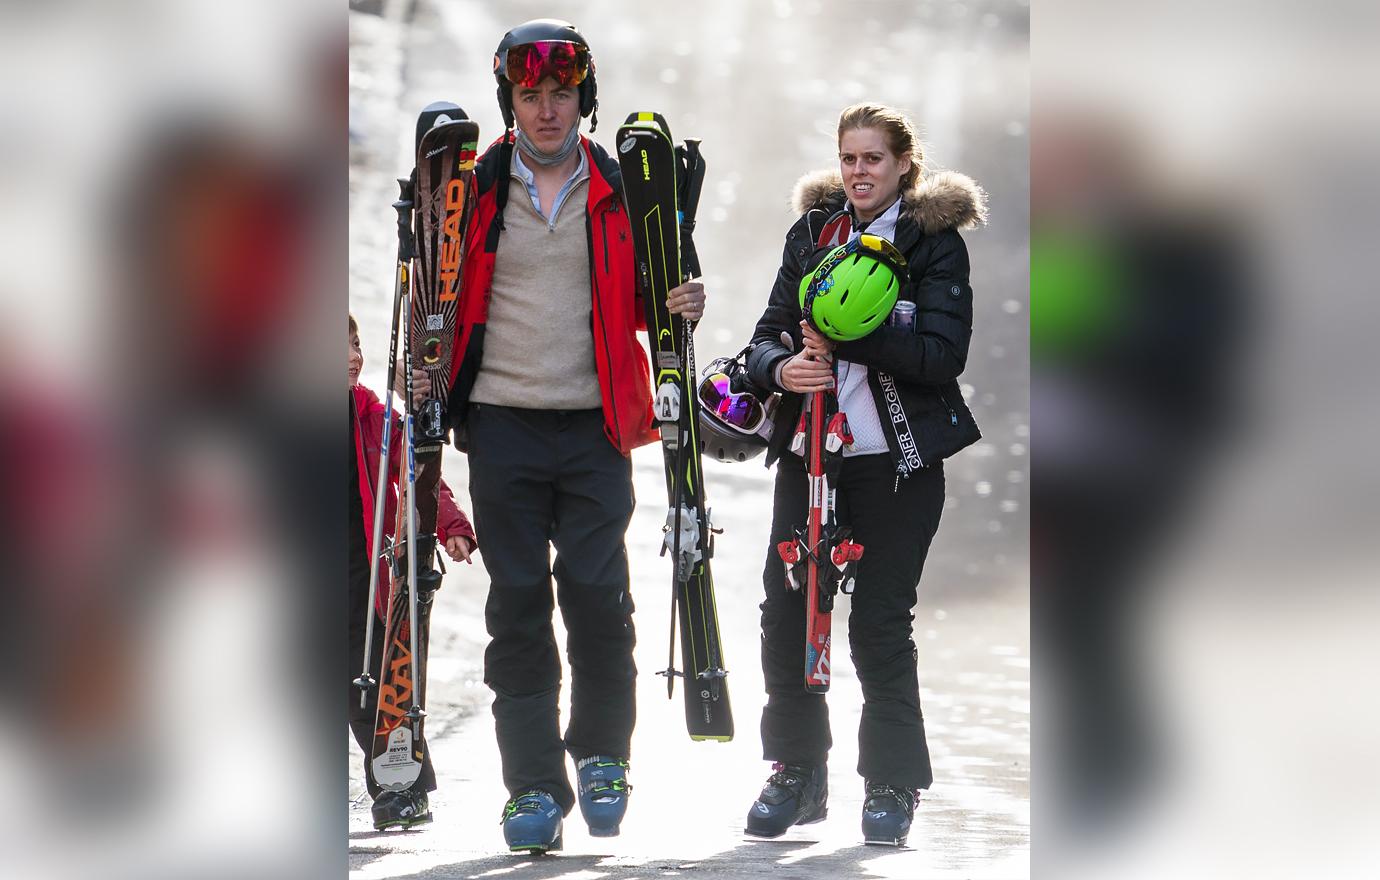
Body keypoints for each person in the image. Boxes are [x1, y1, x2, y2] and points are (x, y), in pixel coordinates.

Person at [440, 20, 707, 853]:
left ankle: (601, 756)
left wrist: (682, 302)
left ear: (583, 97)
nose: (547, 110)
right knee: (517, 606)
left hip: (597, 428)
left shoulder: (627, 190)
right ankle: (531, 788)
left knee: (598, 598)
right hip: (501, 424)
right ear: (509, 101)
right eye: (530, 95)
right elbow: (437, 299)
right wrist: (424, 371)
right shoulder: (474, 191)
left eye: (561, 94)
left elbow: (649, 299)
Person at [742, 103, 987, 846]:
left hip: (899, 465)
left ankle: (891, 783)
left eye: (873, 159)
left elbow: (944, 357)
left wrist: (858, 331)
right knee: (787, 615)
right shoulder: (813, 233)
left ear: (903, 164)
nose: (858, 173)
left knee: (879, 625)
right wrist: (782, 366)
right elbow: (765, 337)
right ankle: (795, 769)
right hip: (811, 458)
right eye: (848, 158)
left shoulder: (933, 243)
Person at [348, 314, 476, 830]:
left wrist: (450, 525)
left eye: (354, 343)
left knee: (373, 691)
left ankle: (402, 785)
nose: (352, 355)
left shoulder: (378, 420)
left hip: (367, 579)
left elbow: (421, 475)